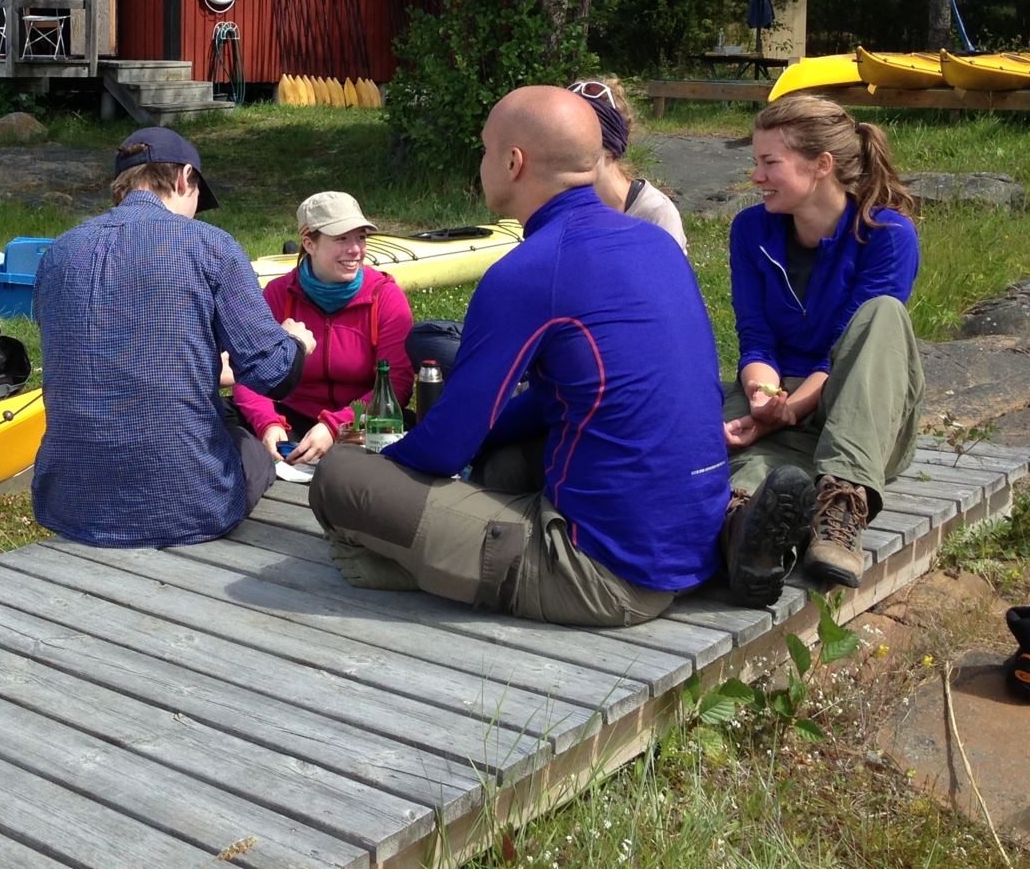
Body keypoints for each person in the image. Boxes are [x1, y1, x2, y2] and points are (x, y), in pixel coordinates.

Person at [308, 85, 733, 628]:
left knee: (343, 478)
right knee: (501, 462)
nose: (481, 163)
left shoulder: (532, 269)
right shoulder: (654, 244)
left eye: (484, 150)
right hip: (695, 544)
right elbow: (559, 399)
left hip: (605, 575)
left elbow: (444, 447)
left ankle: (407, 564)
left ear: (513, 162)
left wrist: (380, 468)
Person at [31, 126, 317, 547]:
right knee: (251, 445)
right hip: (185, 506)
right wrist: (295, 342)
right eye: (198, 198)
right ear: (185, 178)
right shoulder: (210, 246)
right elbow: (271, 374)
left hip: (67, 499)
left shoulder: (58, 252)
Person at [718, 94, 922, 606]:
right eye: (756, 162)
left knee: (883, 316)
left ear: (822, 165)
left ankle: (843, 505)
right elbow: (755, 334)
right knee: (725, 441)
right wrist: (765, 400)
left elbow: (843, 354)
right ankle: (746, 535)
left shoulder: (887, 235)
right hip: (784, 402)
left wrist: (789, 411)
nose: (756, 176)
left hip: (858, 409)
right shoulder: (750, 230)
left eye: (770, 163)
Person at [231, 191, 413, 467]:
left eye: (361, 237)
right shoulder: (279, 294)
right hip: (289, 420)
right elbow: (248, 373)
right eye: (341, 238)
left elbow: (396, 385)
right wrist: (267, 423)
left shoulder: (385, 297)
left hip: (359, 427)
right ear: (309, 243)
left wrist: (334, 427)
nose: (355, 250)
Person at [567, 78, 687, 253]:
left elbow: (669, 278)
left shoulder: (655, 214)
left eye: (576, 141)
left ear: (610, 148)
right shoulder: (567, 207)